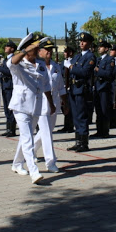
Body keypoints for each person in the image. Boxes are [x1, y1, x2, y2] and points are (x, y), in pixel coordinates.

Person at [9, 34, 55, 185]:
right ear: (27, 49)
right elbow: (11, 62)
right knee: (28, 138)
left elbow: (46, 85)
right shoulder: (19, 64)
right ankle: (34, 172)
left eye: (37, 48)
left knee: (25, 137)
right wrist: (23, 51)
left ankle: (16, 164)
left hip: (36, 106)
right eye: (33, 48)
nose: (36, 50)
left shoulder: (40, 64)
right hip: (21, 106)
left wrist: (51, 103)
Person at [33, 39, 68, 173]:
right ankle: (50, 162)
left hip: (54, 102)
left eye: (51, 49)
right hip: (41, 102)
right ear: (39, 51)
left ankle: (30, 150)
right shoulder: (35, 65)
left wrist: (65, 103)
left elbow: (61, 86)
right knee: (47, 133)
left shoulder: (56, 66)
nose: (49, 52)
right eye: (46, 49)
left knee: (45, 132)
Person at [67, 32, 96, 152]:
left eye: (84, 41)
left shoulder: (91, 57)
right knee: (75, 116)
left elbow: (84, 72)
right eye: (80, 41)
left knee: (82, 116)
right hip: (74, 88)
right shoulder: (77, 56)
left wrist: (72, 67)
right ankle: (78, 141)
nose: (81, 43)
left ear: (89, 43)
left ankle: (84, 143)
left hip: (82, 89)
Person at [91, 39, 116, 139]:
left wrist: (98, 70)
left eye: (101, 47)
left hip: (105, 87)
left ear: (106, 49)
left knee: (104, 110)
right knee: (98, 110)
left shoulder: (110, 60)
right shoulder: (98, 60)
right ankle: (99, 130)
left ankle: (105, 131)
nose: (99, 48)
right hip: (97, 87)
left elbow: (109, 74)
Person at [0, 40, 17, 137]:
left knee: (11, 108)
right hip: (5, 85)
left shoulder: (13, 59)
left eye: (7, 46)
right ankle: (8, 128)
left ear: (12, 49)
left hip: (10, 86)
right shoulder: (6, 59)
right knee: (6, 108)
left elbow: (11, 72)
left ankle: (12, 129)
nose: (5, 48)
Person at [57, 46, 76, 133]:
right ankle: (66, 125)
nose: (64, 53)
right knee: (63, 106)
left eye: (66, 52)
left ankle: (70, 126)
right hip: (63, 86)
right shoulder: (63, 63)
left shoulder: (74, 61)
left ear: (71, 53)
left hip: (70, 87)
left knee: (70, 107)